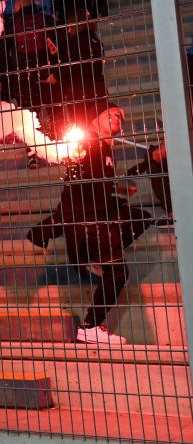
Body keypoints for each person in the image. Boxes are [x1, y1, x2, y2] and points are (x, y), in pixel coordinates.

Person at [27, 108, 154, 345]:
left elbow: (98, 185)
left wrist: (120, 189)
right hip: (90, 221)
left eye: (119, 117)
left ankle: (95, 269)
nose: (115, 118)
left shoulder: (105, 148)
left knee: (140, 217)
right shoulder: (89, 142)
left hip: (99, 215)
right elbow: (75, 183)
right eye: (110, 114)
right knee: (118, 272)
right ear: (96, 119)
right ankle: (90, 326)